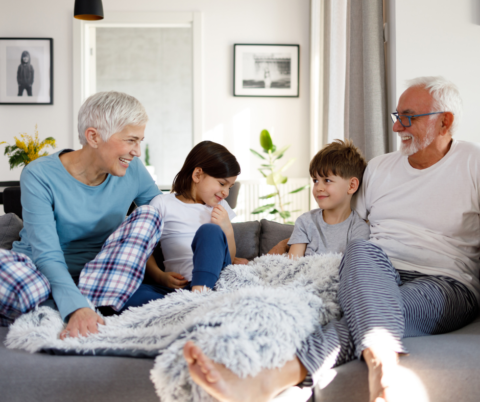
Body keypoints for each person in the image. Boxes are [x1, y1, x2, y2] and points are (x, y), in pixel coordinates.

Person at [182, 76, 480, 402]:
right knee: (361, 249)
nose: (397, 128)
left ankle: (294, 377)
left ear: (444, 121)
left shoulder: (472, 164)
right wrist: (277, 253)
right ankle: (378, 372)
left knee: (370, 315)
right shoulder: (381, 169)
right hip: (374, 274)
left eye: (408, 117)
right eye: (397, 117)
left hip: (443, 282)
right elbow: (344, 221)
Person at [0, 91, 164, 339]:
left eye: (139, 141)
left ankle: (59, 308)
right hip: (40, 274)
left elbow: (169, 214)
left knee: (151, 215)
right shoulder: (39, 175)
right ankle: (73, 306)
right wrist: (76, 306)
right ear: (94, 136)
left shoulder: (133, 170)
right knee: (21, 279)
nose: (137, 151)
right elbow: (47, 254)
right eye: (131, 140)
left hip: (103, 279)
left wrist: (225, 240)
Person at [120, 141, 241, 309]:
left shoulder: (221, 208)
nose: (226, 192)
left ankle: (200, 296)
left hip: (214, 284)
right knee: (122, 296)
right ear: (197, 175)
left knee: (209, 231)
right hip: (178, 289)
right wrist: (159, 277)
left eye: (230, 186)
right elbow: (143, 249)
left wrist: (227, 228)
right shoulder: (162, 203)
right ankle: (188, 304)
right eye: (222, 183)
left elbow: (230, 258)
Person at [288, 139, 369, 259]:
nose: (318, 188)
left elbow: (355, 268)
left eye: (327, 180)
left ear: (352, 185)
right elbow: (291, 266)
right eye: (315, 180)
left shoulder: (358, 229)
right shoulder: (305, 222)